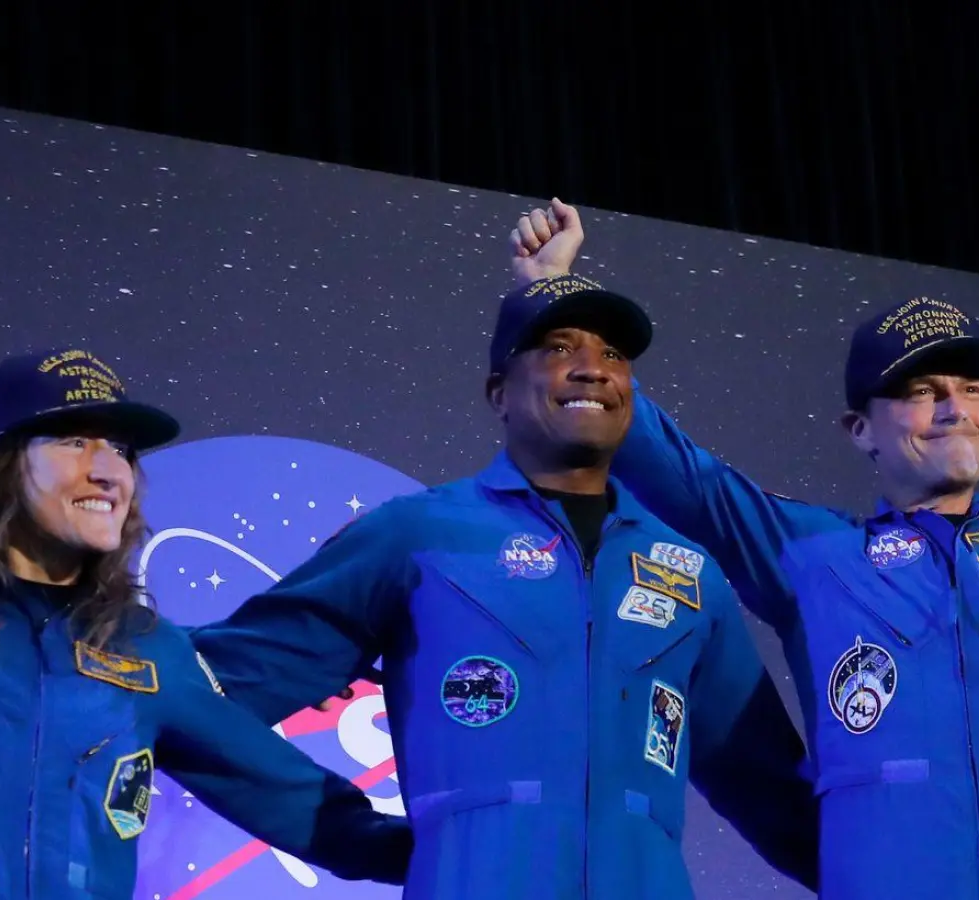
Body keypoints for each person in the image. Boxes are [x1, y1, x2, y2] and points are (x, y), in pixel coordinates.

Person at [512, 199, 979, 900]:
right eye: (923, 392)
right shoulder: (814, 555)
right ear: (860, 429)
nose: (956, 408)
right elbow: (669, 466)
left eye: (971, 389)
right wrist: (554, 296)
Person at [188, 265, 820, 898]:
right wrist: (351, 835)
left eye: (614, 354)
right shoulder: (418, 535)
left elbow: (770, 790)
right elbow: (198, 698)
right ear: (500, 393)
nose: (593, 367)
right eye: (557, 348)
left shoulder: (687, 574)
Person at [0, 348, 413, 899]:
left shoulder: (148, 652)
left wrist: (471, 852)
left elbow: (297, 802)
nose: (107, 470)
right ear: (4, 461)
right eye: (75, 440)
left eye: (119, 450)